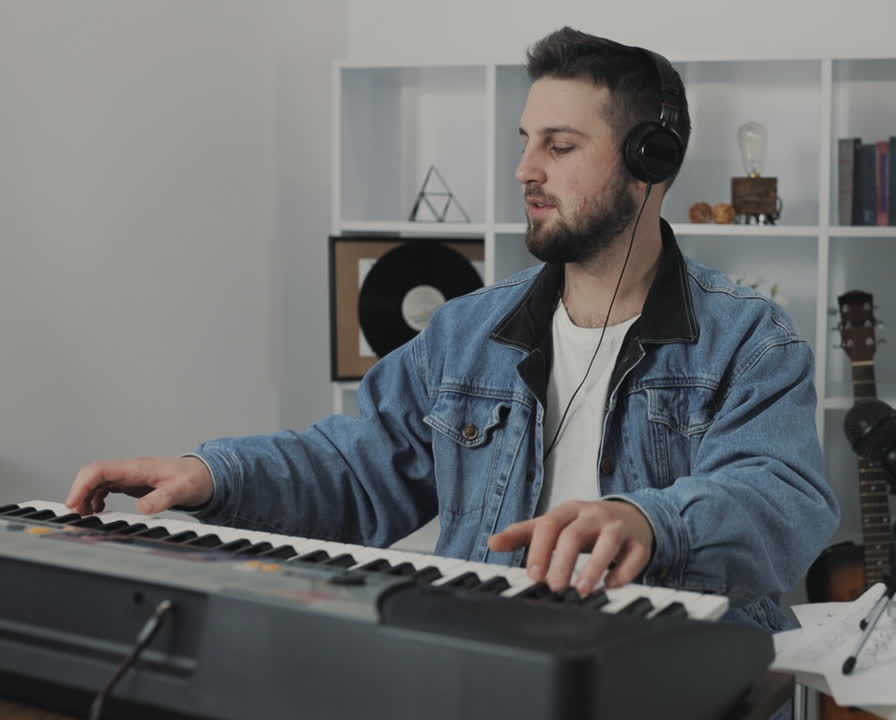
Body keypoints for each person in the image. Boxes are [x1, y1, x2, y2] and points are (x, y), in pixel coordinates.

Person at [65, 27, 838, 640]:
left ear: (650, 161)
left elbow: (780, 501)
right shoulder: (467, 331)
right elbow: (357, 468)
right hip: (495, 661)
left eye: (559, 146)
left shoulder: (749, 338)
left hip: (673, 675)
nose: (524, 170)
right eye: (525, 140)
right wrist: (213, 475)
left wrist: (648, 519)